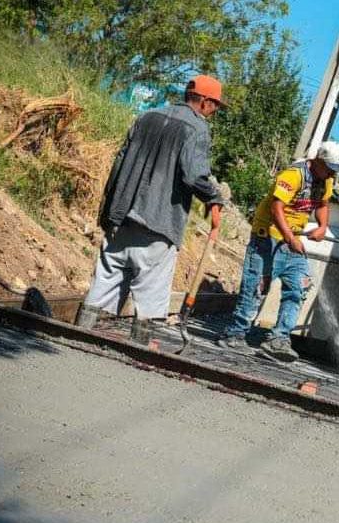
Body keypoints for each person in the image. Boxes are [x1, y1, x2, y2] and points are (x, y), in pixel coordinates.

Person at [74, 75, 230, 346]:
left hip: (121, 216)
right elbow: (194, 176)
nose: (215, 111)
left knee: (103, 284)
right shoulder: (197, 129)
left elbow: (118, 163)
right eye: (216, 105)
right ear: (205, 102)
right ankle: (135, 352)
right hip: (159, 223)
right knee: (149, 298)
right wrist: (214, 197)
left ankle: (79, 340)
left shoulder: (146, 116)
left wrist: (108, 209)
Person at [216, 141, 339, 362]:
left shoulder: (326, 180)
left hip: (291, 240)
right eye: (329, 168)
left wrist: (323, 226)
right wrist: (289, 238)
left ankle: (279, 339)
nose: (331, 174)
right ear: (318, 160)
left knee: (299, 287)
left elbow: (323, 204)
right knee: (256, 286)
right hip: (268, 238)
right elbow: (276, 208)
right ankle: (235, 334)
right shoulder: (293, 175)